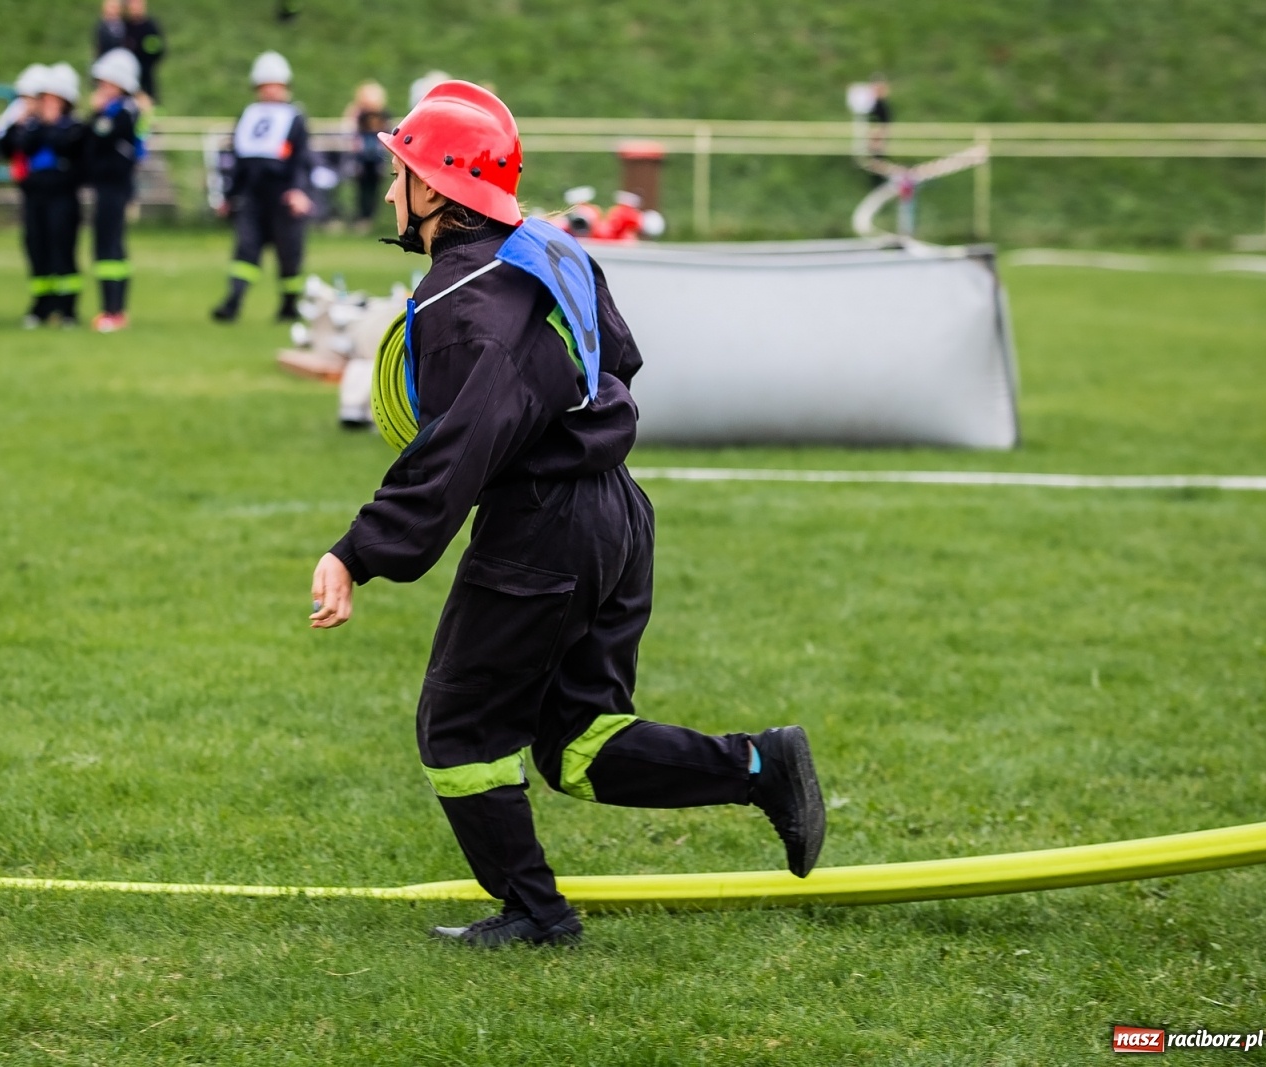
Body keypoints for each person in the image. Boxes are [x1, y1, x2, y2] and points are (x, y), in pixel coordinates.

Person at [307, 81, 826, 948]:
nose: (390, 189)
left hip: (541, 526)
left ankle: (538, 917)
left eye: (400, 172)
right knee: (579, 737)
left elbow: (458, 446)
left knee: (460, 725)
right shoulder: (550, 249)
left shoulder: (461, 304)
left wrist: (360, 551)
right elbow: (617, 358)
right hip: (614, 512)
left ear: (435, 188)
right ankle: (763, 764)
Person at [210, 51, 311, 324]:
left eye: (275, 85)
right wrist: (229, 196)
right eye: (265, 85)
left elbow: (301, 160)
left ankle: (289, 305)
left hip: (283, 196)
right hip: (253, 197)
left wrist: (298, 190)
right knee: (245, 251)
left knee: (289, 255)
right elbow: (239, 162)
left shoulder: (294, 118)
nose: (270, 90)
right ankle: (233, 301)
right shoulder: (248, 115)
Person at [2, 62, 85, 327]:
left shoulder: (73, 128)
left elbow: (69, 150)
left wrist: (49, 126)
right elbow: (10, 146)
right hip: (35, 196)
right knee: (36, 248)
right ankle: (41, 304)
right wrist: (23, 122)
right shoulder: (31, 126)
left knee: (63, 249)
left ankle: (67, 307)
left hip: (62, 197)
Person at [85, 48, 143, 333]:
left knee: (110, 246)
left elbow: (102, 135)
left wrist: (97, 113)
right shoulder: (112, 111)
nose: (101, 88)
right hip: (104, 186)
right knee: (105, 246)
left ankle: (114, 310)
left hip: (116, 187)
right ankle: (110, 308)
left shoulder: (125, 112)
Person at [343, 80, 391, 229]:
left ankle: (369, 218)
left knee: (374, 189)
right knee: (361, 190)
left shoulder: (383, 114)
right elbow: (348, 131)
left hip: (376, 158)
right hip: (361, 158)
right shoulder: (357, 114)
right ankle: (361, 218)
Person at [123, 0, 166, 104]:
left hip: (146, 69)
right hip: (128, 70)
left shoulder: (150, 26)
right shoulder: (125, 25)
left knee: (149, 97)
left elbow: (159, 47)